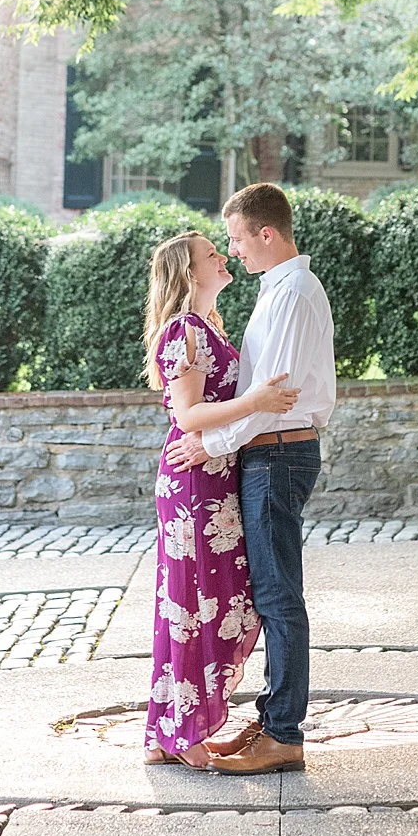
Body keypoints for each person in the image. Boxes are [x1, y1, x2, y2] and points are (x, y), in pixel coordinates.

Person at [166, 181, 336, 775]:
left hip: (278, 454)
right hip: (266, 453)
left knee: (277, 597)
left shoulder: (291, 294)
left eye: (236, 238)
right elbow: (257, 394)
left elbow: (272, 399)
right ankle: (272, 718)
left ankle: (284, 733)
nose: (232, 250)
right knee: (271, 594)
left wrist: (206, 444)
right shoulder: (277, 291)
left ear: (266, 233)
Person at [142, 230, 300, 767]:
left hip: (214, 477)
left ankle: (170, 730)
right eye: (212, 253)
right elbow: (186, 416)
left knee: (213, 599)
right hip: (193, 485)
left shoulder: (210, 327)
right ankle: (182, 733)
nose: (223, 255)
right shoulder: (183, 331)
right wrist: (255, 400)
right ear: (190, 274)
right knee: (191, 604)